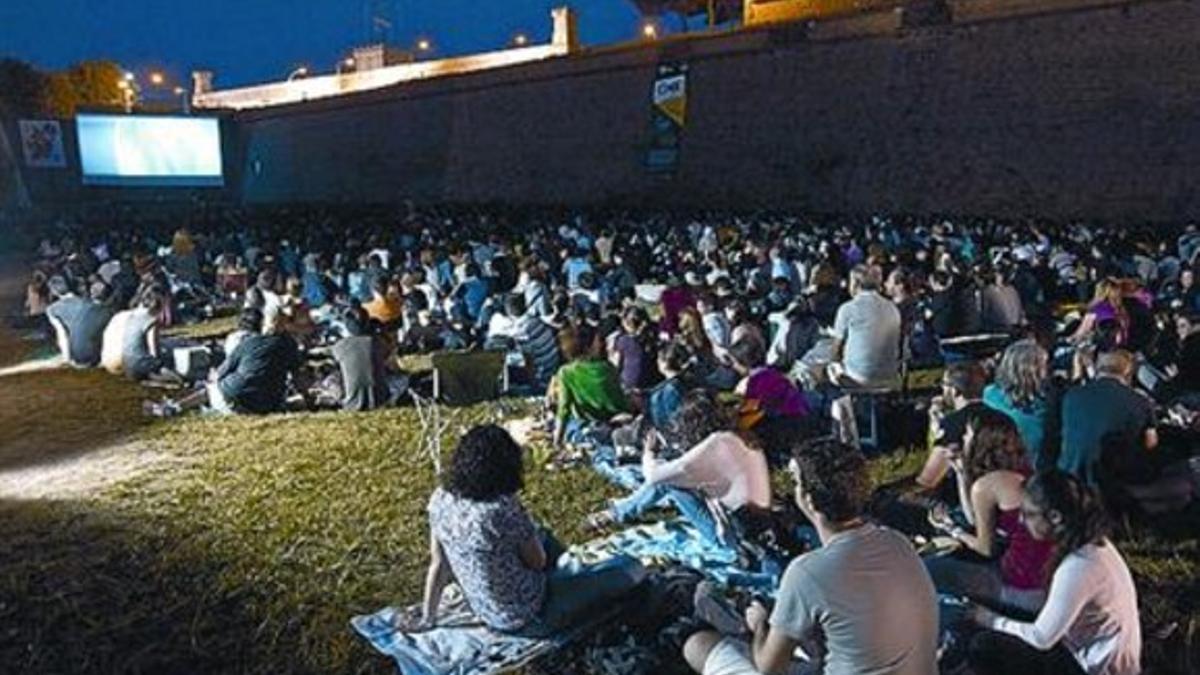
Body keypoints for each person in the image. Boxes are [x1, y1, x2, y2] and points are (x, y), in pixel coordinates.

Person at [683, 439, 938, 675]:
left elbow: (769, 667)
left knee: (699, 645)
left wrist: (759, 624)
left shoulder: (807, 572)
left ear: (809, 499)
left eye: (795, 482)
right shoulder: (897, 542)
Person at [415, 425, 646, 635]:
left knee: (540, 535)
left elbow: (438, 563)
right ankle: (572, 578)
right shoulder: (502, 510)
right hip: (532, 614)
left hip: (487, 611)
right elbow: (537, 562)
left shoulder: (440, 499)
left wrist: (429, 617)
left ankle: (570, 575)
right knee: (631, 568)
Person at [965, 470, 1142, 675]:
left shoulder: (1079, 567)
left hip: (1094, 668)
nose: (1021, 521)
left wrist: (990, 619)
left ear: (1055, 517)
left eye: (1028, 514)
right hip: (1090, 651)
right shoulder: (1093, 545)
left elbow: (1041, 638)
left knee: (985, 645)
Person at [587, 392, 770, 548]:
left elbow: (654, 477)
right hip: (755, 520)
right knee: (673, 476)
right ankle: (622, 510)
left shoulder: (715, 444)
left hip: (731, 535)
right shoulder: (735, 436)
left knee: (668, 483)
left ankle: (618, 513)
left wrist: (648, 452)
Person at [926, 409, 1053, 612]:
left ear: (981, 441)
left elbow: (986, 549)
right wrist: (962, 473)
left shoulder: (986, 486)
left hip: (1020, 588)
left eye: (967, 434)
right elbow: (976, 520)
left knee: (930, 568)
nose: (963, 438)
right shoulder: (1025, 470)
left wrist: (953, 530)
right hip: (1047, 582)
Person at [1059, 350, 1156, 487]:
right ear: (1128, 373)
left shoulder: (1072, 395)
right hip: (1112, 481)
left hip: (1069, 475)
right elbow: (1151, 444)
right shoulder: (1140, 402)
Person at [549, 323, 630, 448]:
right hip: (616, 418)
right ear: (589, 347)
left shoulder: (566, 372)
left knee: (565, 423)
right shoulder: (607, 367)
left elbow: (563, 409)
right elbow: (619, 399)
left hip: (589, 422)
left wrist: (557, 441)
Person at [983, 338, 1057, 470]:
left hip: (995, 471)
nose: (1049, 371)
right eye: (1045, 366)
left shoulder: (988, 395)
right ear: (1031, 371)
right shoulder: (1049, 404)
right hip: (1037, 474)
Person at [917, 361, 989, 489]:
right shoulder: (1001, 417)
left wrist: (934, 431)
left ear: (954, 390)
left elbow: (929, 479)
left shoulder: (952, 424)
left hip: (963, 495)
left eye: (944, 384)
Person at [830, 265, 901, 387]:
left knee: (831, 367)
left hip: (858, 378)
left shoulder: (847, 308)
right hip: (890, 376)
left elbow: (836, 351)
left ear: (856, 284)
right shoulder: (892, 307)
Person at [331, 307, 392, 412]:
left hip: (351, 403)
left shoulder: (339, 346)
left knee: (331, 379)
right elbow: (390, 363)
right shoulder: (378, 342)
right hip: (381, 400)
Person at [45, 279, 113, 367]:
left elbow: (62, 333)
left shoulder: (52, 309)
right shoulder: (86, 302)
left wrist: (66, 358)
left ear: (53, 292)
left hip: (78, 353)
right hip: (98, 351)